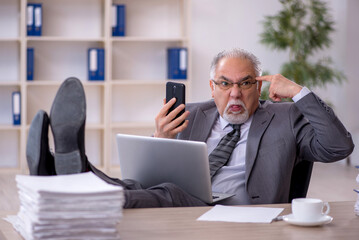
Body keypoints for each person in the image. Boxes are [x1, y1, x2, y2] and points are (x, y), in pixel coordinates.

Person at [27, 48, 354, 208]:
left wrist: (299, 93)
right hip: (179, 200)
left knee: (167, 193)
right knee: (138, 186)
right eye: (225, 84)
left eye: (245, 83)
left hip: (239, 213)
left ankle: (74, 169)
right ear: (212, 87)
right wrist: (160, 140)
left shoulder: (285, 117)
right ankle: (68, 165)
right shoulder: (192, 113)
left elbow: (339, 146)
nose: (235, 93)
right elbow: (148, 178)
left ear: (260, 86)